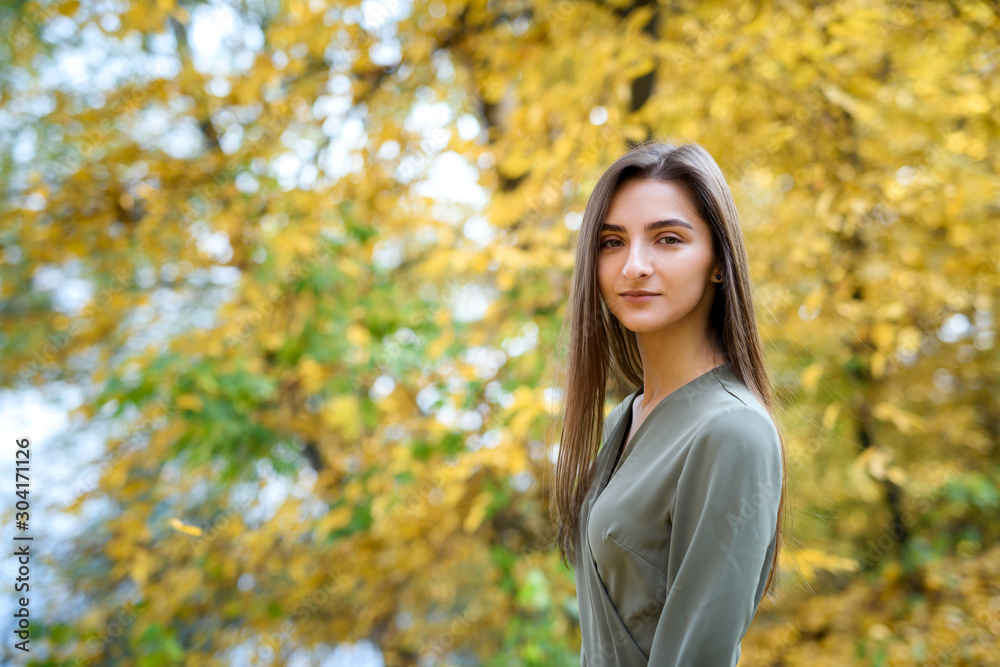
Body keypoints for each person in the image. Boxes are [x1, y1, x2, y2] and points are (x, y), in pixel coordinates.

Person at [546, 139, 789, 666]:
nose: (634, 265)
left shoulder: (732, 431)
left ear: (719, 263)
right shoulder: (623, 419)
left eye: (668, 239)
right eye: (612, 242)